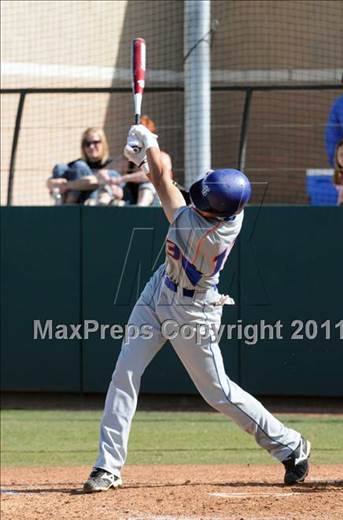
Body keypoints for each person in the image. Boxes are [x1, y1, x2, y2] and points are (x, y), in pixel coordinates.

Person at [82, 124, 311, 493]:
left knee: (216, 392)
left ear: (216, 214)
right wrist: (145, 157)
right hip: (158, 291)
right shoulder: (225, 209)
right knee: (124, 373)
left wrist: (149, 146)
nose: (197, 203)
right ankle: (107, 467)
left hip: (193, 313)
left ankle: (289, 444)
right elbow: (165, 177)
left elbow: (162, 183)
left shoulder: (205, 232)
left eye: (204, 205)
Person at [47, 127, 124, 205]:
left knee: (80, 166)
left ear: (103, 143)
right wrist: (50, 183)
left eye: (95, 142)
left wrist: (67, 185)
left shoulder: (112, 163)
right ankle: (61, 203)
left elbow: (92, 182)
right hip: (78, 199)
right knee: (60, 167)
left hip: (94, 200)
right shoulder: (76, 163)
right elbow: (51, 182)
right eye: (87, 144)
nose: (91, 146)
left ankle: (69, 203)